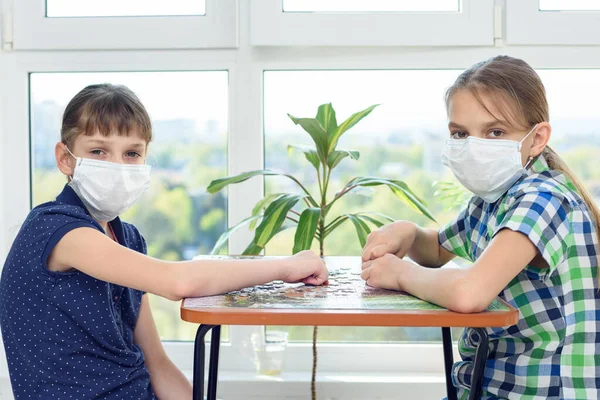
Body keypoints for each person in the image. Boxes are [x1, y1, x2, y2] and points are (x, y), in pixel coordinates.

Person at [0, 83, 328, 399]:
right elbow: (178, 282)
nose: (116, 165)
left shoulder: (127, 239)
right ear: (66, 158)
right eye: (98, 151)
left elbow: (156, 364)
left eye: (132, 153)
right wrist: (286, 266)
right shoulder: (56, 230)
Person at [360, 56, 600, 399]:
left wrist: (398, 273)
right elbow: (437, 251)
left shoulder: (543, 200)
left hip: (542, 392)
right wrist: (409, 232)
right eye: (460, 133)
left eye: (495, 132)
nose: (474, 146)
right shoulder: (494, 199)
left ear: (537, 139)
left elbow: (468, 293)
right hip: (487, 386)